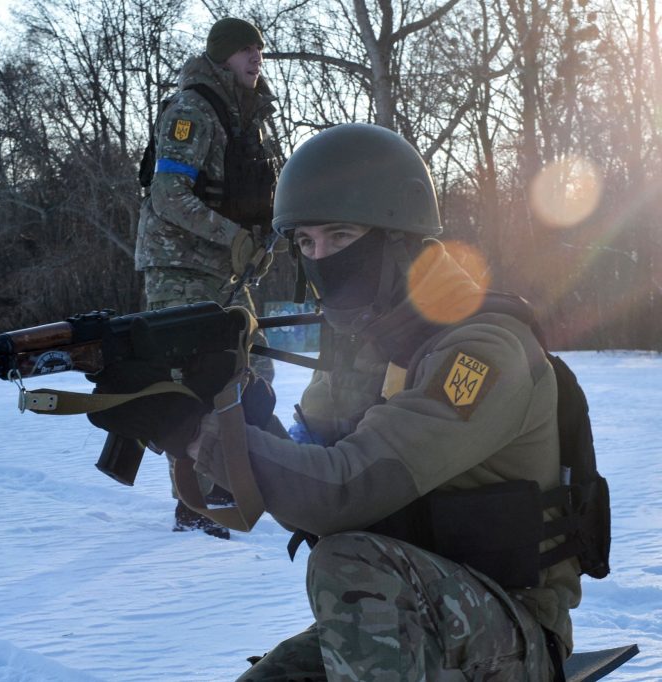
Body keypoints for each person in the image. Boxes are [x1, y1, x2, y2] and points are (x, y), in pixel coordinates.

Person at [92, 124, 580, 679]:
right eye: (306, 242)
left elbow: (343, 491)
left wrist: (195, 432)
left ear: (402, 242)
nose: (321, 258)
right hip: (413, 615)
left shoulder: (484, 352)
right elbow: (302, 467)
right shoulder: (363, 352)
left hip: (513, 628)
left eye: (342, 237)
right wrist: (234, 409)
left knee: (347, 559)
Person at [136, 17, 283, 537]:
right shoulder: (193, 109)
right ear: (222, 57)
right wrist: (233, 238)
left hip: (228, 272)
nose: (256, 58)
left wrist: (261, 240)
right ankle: (194, 505)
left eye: (259, 51)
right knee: (193, 388)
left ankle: (228, 485)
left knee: (255, 374)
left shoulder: (249, 118)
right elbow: (167, 196)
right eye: (245, 50)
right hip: (181, 269)